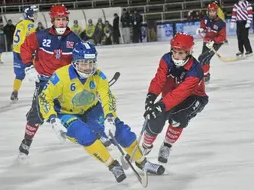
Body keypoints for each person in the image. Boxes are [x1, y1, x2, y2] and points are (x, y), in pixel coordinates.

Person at [38, 42, 165, 181]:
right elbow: (45, 97)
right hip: (65, 112)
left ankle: (142, 162)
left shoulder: (99, 76)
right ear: (75, 62)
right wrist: (53, 119)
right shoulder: (61, 76)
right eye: (83, 63)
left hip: (92, 108)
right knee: (84, 135)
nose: (88, 68)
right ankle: (112, 165)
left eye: (91, 63)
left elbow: (107, 97)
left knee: (122, 132)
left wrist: (110, 118)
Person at [17, 4, 82, 157]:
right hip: (45, 83)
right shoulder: (40, 36)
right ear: (52, 20)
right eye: (58, 19)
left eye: (64, 19)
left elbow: (82, 60)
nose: (61, 22)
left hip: (66, 84)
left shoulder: (74, 39)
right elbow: (25, 47)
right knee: (37, 114)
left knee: (81, 108)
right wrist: (28, 67)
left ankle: (96, 135)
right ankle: (27, 141)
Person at [141, 33, 208, 164]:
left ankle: (167, 146)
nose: (176, 56)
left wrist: (160, 105)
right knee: (155, 117)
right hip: (170, 96)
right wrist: (150, 98)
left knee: (177, 118)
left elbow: (181, 93)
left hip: (193, 97)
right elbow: (159, 80)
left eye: (181, 53)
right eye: (174, 51)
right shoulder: (166, 59)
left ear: (188, 52)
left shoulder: (196, 70)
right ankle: (145, 147)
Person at [10, 6, 38, 102]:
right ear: (29, 15)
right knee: (37, 71)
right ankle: (40, 92)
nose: (35, 15)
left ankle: (15, 91)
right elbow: (31, 38)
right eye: (33, 13)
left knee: (19, 75)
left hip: (16, 51)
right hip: (25, 51)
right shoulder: (30, 24)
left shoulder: (20, 23)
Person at [196, 3, 226, 83]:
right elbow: (203, 25)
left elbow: (222, 37)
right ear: (208, 11)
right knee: (205, 59)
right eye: (210, 11)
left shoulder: (221, 23)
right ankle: (207, 75)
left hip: (215, 44)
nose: (211, 13)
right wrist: (201, 29)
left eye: (213, 11)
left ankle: (204, 76)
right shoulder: (205, 18)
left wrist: (214, 41)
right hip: (206, 41)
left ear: (216, 12)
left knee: (202, 58)